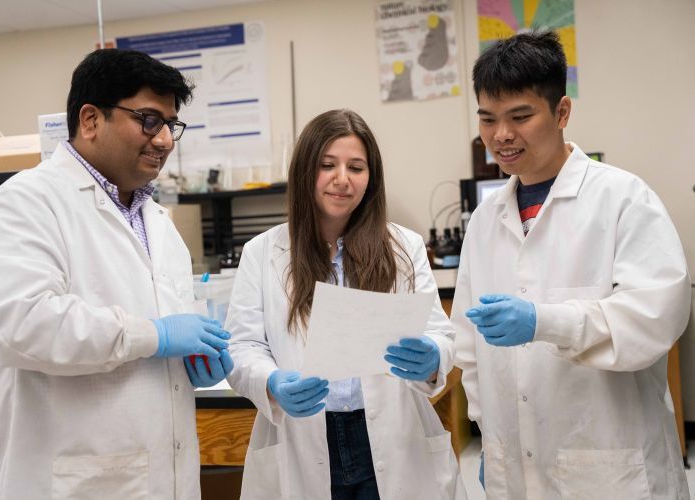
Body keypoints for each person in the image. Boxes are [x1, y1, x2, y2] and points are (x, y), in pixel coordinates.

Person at [0, 49, 234, 499]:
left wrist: (189, 359)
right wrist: (155, 336)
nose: (164, 140)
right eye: (148, 119)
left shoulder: (157, 221)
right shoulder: (26, 202)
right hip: (69, 483)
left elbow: (164, 328)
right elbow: (24, 325)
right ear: (90, 120)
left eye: (170, 124)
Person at [451, 31, 691, 499]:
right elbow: (469, 345)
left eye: (520, 116)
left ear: (561, 112)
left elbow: (656, 317)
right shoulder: (484, 222)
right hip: (514, 468)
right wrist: (488, 440)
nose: (501, 135)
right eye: (488, 119)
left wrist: (547, 321)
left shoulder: (623, 198)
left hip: (610, 468)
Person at [225, 109, 466, 499]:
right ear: (306, 171)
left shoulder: (404, 246)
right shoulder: (262, 252)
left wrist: (434, 355)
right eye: (327, 165)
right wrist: (271, 381)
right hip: (303, 436)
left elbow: (439, 332)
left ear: (371, 179)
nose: (342, 179)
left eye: (356, 167)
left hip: (390, 436)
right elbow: (243, 346)